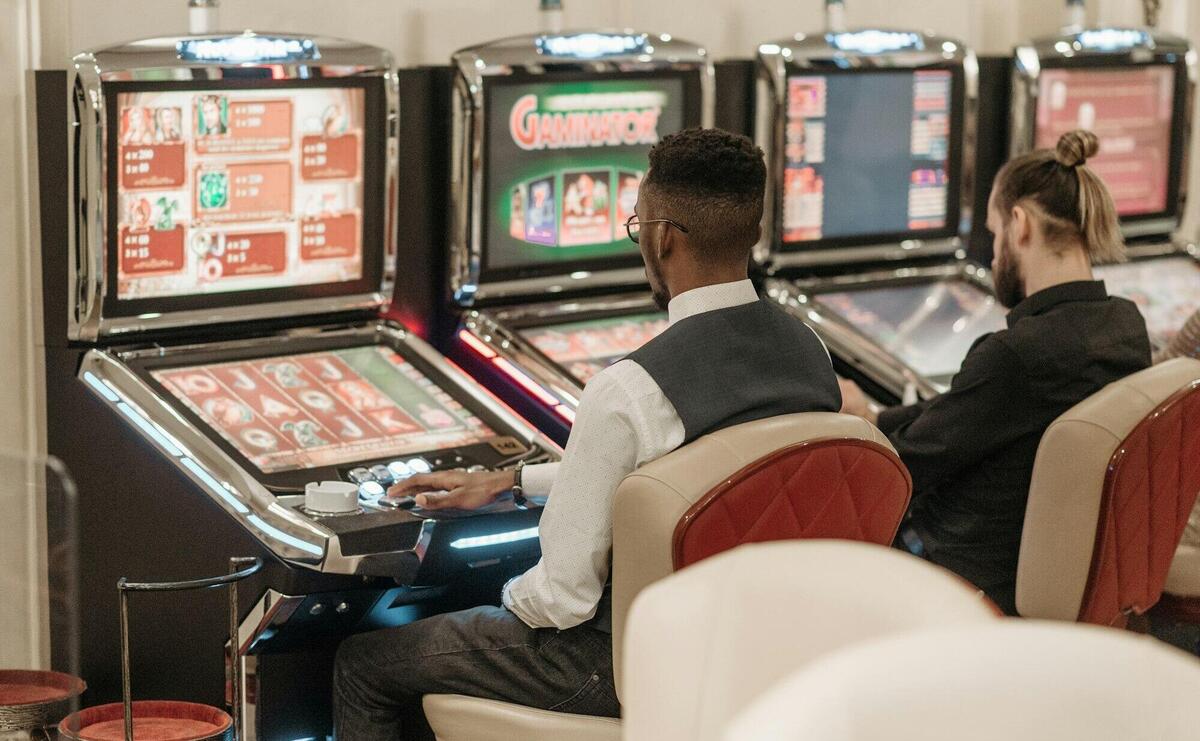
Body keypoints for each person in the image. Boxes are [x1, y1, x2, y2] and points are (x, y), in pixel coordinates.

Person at [332, 128, 841, 740]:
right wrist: (512, 484)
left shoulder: (631, 389)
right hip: (759, 648)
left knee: (363, 662)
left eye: (636, 227)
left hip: (616, 667)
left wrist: (473, 594)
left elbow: (561, 601)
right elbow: (699, 470)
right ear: (751, 231)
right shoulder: (807, 351)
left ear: (659, 236)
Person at [839, 130, 1152, 614]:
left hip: (959, 571)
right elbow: (963, 412)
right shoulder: (1124, 326)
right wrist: (875, 417)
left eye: (994, 232)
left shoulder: (1017, 355)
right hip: (1042, 563)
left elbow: (903, 467)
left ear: (1020, 225)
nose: (993, 253)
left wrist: (839, 435)